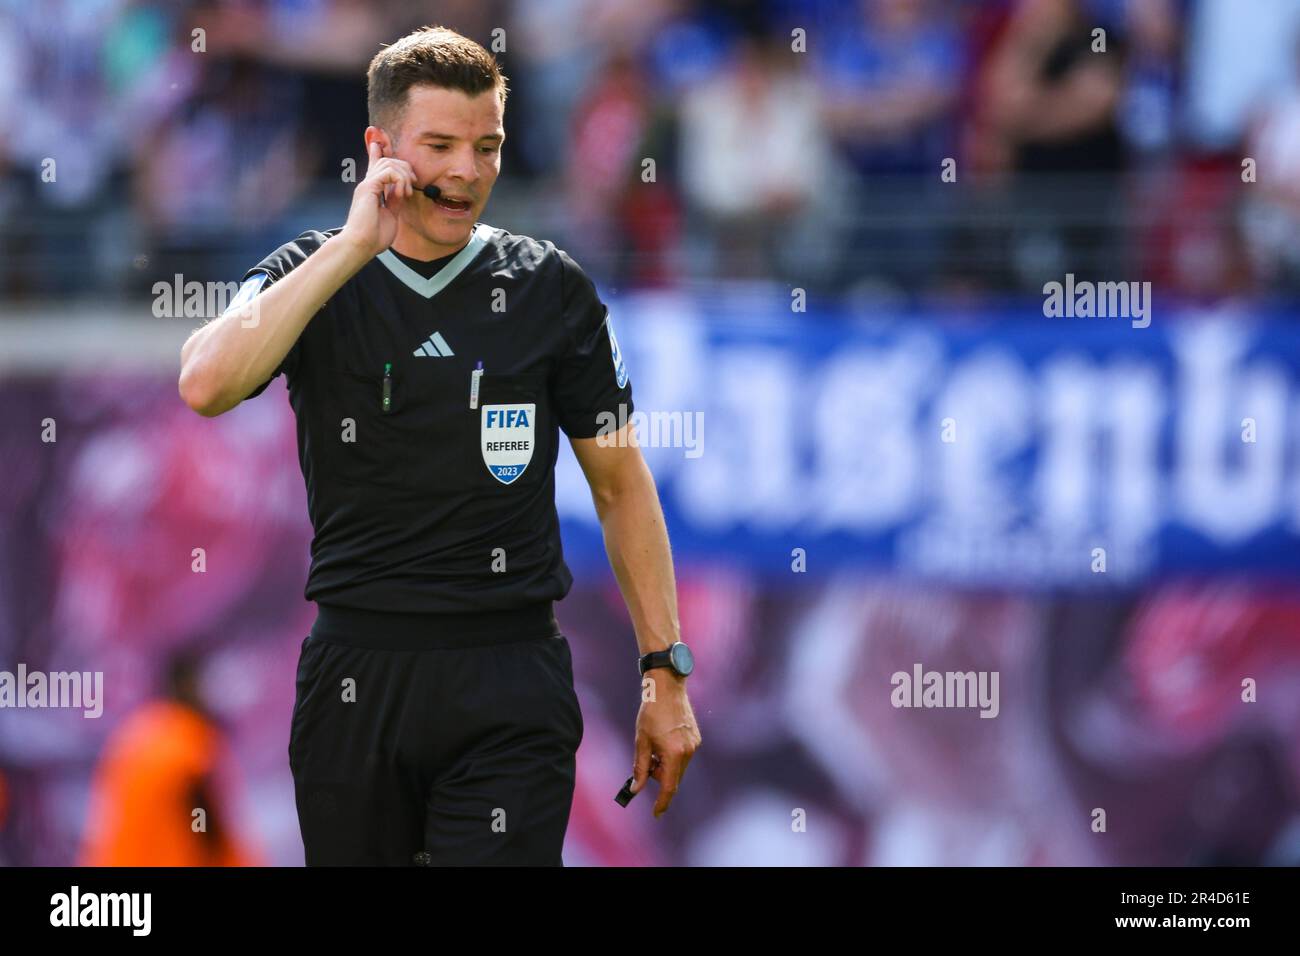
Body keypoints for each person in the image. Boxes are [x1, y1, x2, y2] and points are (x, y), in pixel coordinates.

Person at [177, 25, 700, 866]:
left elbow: (621, 486)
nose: (467, 171)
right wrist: (351, 248)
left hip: (509, 673)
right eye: (442, 145)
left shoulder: (549, 289)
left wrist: (664, 672)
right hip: (357, 676)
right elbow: (205, 384)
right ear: (380, 148)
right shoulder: (315, 269)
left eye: (487, 145)